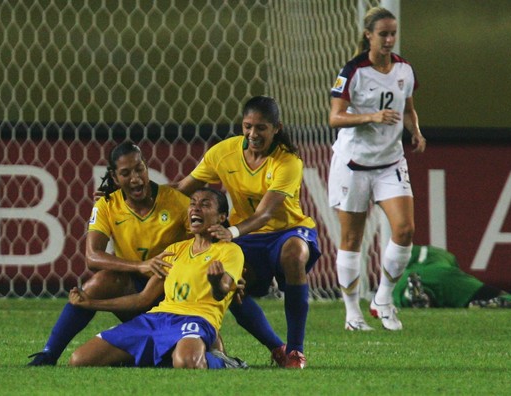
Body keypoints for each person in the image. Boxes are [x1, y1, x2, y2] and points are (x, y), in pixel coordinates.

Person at [176, 96, 322, 369]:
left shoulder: (288, 161)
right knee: (229, 284)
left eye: (261, 128)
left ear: (276, 128)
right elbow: (181, 189)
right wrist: (134, 196)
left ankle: (295, 351)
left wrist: (231, 231)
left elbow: (266, 214)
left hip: (286, 230)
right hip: (248, 238)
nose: (253, 134)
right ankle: (277, 348)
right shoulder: (223, 153)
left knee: (294, 254)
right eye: (248, 126)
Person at [28, 141, 191, 366]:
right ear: (115, 178)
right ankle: (48, 354)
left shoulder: (177, 202)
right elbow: (92, 257)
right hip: (134, 289)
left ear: (146, 167)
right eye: (126, 173)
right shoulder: (106, 205)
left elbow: (203, 247)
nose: (135, 178)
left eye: (139, 169)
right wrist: (139, 266)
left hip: (170, 294)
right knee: (99, 282)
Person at [67, 188, 247, 369]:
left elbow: (222, 290)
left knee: (186, 362)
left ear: (221, 217)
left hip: (198, 319)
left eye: (205, 204)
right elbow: (142, 299)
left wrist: (215, 282)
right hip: (158, 319)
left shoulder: (230, 251)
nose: (195, 208)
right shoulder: (175, 250)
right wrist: (91, 303)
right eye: (192, 203)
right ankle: (167, 356)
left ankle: (225, 362)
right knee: (80, 360)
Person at [328, 7, 427, 331]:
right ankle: (352, 313)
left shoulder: (404, 69)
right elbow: (335, 117)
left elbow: (408, 107)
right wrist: (370, 116)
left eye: (392, 34)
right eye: (382, 34)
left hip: (390, 162)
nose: (389, 40)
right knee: (352, 238)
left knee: (405, 230)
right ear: (368, 35)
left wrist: (416, 131)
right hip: (354, 164)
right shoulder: (353, 71)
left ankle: (382, 299)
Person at [394, 245, 511, 309]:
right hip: (444, 275)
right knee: (495, 295)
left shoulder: (397, 258)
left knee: (395, 294)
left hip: (407, 279)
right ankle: (504, 301)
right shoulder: (442, 255)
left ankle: (412, 297)